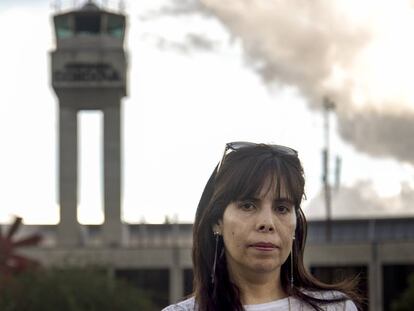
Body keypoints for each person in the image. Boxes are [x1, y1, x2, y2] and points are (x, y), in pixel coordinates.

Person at [163, 142, 361, 311]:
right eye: (248, 205)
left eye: (282, 208)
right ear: (217, 221)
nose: (267, 223)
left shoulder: (337, 307)